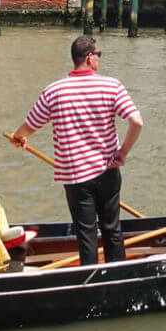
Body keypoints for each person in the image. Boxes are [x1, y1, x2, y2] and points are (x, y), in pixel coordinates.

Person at [11, 35, 142, 266]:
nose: (99, 60)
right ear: (90, 58)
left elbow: (30, 125)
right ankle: (119, 276)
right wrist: (123, 152)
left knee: (86, 235)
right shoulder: (112, 86)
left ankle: (89, 280)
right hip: (108, 170)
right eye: (98, 55)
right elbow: (137, 122)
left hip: (76, 177)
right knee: (112, 229)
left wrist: (18, 138)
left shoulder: (54, 91)